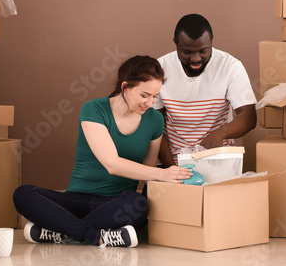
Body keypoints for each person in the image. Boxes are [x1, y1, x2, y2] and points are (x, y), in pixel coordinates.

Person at [13, 55, 193, 248]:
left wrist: (178, 177)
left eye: (155, 96)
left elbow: (146, 172)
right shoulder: (94, 109)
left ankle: (61, 231)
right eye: (144, 95)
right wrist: (162, 172)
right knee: (23, 194)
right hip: (76, 199)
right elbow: (112, 164)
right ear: (125, 87)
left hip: (115, 204)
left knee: (137, 204)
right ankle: (94, 235)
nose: (150, 103)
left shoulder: (154, 120)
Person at [153, 13, 257, 167]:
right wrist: (173, 169)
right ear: (175, 43)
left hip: (219, 160)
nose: (195, 59)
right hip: (172, 161)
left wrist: (221, 133)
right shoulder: (159, 69)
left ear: (211, 40)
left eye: (203, 51)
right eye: (187, 52)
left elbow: (249, 117)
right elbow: (156, 128)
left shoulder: (230, 66)